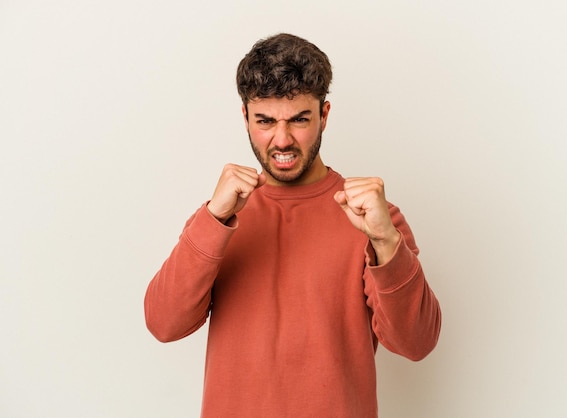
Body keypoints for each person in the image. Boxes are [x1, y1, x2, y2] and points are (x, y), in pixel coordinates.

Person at [144, 33, 441, 418]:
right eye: (265, 121)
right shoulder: (222, 215)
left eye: (299, 119)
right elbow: (164, 324)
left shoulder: (373, 219)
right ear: (245, 117)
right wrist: (213, 220)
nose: (282, 140)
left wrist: (385, 240)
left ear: (324, 115)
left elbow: (416, 343)